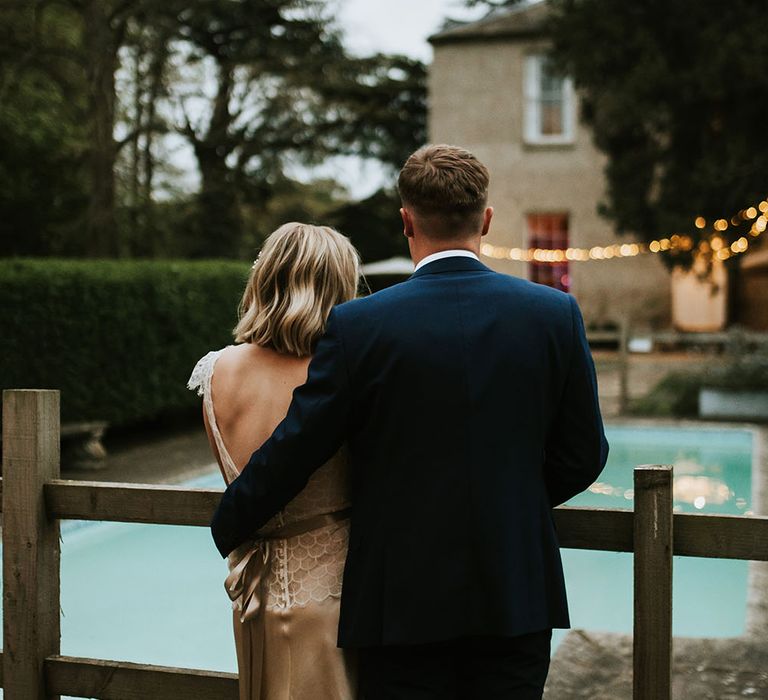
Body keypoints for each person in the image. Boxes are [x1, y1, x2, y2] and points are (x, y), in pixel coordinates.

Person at [211, 144, 609, 699]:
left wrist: (229, 520)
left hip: (398, 603)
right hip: (515, 592)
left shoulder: (358, 326)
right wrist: (508, 500)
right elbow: (584, 455)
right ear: (486, 220)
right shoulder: (553, 315)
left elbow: (298, 444)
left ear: (406, 220)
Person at [188, 222, 361, 700]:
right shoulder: (340, 377)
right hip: (334, 593)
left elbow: (237, 477)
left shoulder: (216, 370)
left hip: (251, 591)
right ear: (333, 288)